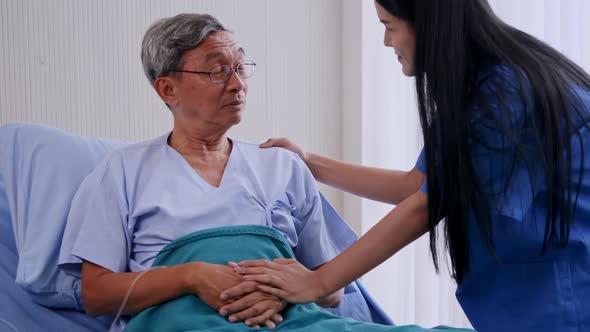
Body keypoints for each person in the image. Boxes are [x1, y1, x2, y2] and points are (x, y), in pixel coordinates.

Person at [221, 1, 590, 331]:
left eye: (389, 25)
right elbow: (419, 185)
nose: (386, 41)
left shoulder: (501, 91)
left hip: (567, 298)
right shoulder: (491, 80)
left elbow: (424, 205)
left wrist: (318, 283)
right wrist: (309, 163)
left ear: (427, 24)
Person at [58, 13, 346, 330]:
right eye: (217, 71)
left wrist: (288, 288)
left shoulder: (283, 165)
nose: (237, 84)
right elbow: (96, 294)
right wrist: (190, 276)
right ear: (168, 90)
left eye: (240, 67)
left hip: (291, 323)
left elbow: (332, 290)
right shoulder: (124, 170)